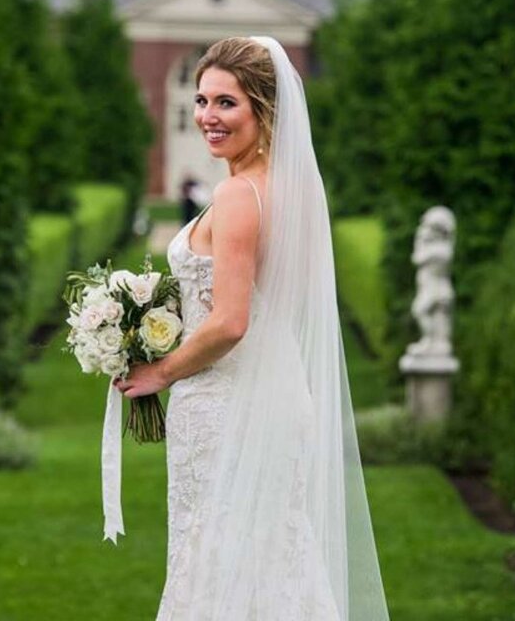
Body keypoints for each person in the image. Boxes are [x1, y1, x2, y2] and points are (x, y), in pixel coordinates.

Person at [113, 37, 389, 620]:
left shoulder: (239, 194)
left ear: (263, 109)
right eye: (201, 100)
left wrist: (160, 370)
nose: (207, 118)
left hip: (228, 403)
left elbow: (232, 321)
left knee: (219, 564)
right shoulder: (290, 190)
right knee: (268, 559)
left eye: (226, 104)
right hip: (275, 392)